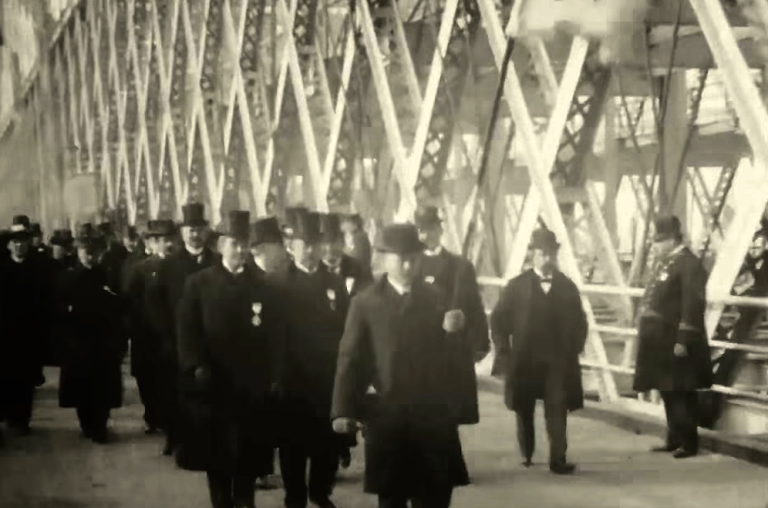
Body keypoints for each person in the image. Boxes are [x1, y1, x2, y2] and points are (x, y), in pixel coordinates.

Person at [332, 223, 470, 508]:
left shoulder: (438, 298)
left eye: (414, 258)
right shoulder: (365, 303)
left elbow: (455, 360)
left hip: (434, 421)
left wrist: (455, 333)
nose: (408, 265)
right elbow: (350, 359)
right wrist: (342, 410)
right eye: (400, 259)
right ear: (384, 259)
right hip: (389, 420)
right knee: (392, 500)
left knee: (435, 498)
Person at [177, 210, 286, 508]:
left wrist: (276, 374)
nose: (240, 250)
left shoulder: (263, 285)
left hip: (252, 389)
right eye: (234, 244)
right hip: (215, 388)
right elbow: (188, 331)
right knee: (219, 460)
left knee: (248, 461)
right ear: (221, 246)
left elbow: (276, 335)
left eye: (244, 244)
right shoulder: (200, 284)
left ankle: (245, 502)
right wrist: (196, 365)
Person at [489, 228, 587, 474]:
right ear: (533, 254)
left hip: (557, 361)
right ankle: (527, 451)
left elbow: (580, 322)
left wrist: (574, 349)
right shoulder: (516, 286)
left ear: (555, 255)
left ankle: (558, 458)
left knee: (557, 408)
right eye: (541, 253)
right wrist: (504, 352)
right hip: (525, 359)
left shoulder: (567, 287)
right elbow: (498, 321)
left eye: (550, 254)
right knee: (524, 408)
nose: (546, 259)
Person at [274, 209, 349, 508]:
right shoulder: (277, 282)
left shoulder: (334, 282)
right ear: (292, 246)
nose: (310, 250)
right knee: (292, 444)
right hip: (292, 379)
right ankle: (294, 496)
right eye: (304, 244)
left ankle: (320, 492)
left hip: (326, 378)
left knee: (326, 443)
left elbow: (345, 328)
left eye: (315, 244)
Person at [633, 215, 712, 459]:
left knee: (682, 392)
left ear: (672, 240)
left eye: (658, 242)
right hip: (661, 341)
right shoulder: (667, 263)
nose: (655, 247)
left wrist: (683, 339)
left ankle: (688, 442)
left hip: (677, 340)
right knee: (668, 390)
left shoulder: (689, 264)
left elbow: (692, 305)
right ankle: (673, 437)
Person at [413, 205, 490, 426]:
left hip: (453, 351)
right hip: (422, 351)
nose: (425, 235)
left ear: (440, 230)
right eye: (421, 230)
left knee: (450, 415)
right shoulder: (411, 266)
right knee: (422, 414)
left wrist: (481, 344)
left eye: (430, 229)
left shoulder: (461, 266)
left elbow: (475, 306)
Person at [55, 223, 128, 444]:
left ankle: (100, 425)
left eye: (94, 253)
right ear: (78, 253)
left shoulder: (108, 277)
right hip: (78, 343)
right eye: (85, 252)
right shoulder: (66, 279)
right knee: (82, 387)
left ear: (100, 254)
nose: (89, 257)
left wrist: (120, 342)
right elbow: (58, 313)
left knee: (104, 387)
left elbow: (120, 309)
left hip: (104, 343)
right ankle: (87, 423)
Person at [159, 202, 218, 456]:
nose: (194, 234)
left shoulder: (216, 262)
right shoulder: (169, 265)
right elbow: (157, 303)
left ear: (205, 231)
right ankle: (177, 438)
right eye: (189, 229)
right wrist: (167, 332)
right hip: (176, 341)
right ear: (182, 233)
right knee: (177, 394)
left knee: (207, 394)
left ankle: (205, 441)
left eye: (198, 229)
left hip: (212, 340)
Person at [0, 216, 49, 435]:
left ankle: (22, 418)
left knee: (27, 379)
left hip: (29, 333)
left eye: (23, 241)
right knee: (7, 376)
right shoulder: (2, 268)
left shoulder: (36, 267)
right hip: (6, 333)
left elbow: (44, 299)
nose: (19, 245)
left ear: (28, 243)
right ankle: (11, 415)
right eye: (16, 241)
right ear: (10, 244)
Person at [128, 220, 177, 435]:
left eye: (170, 239)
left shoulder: (180, 268)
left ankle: (167, 418)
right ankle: (152, 415)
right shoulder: (141, 270)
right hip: (146, 335)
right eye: (162, 240)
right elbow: (131, 301)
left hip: (172, 335)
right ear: (153, 243)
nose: (168, 244)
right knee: (147, 378)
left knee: (169, 379)